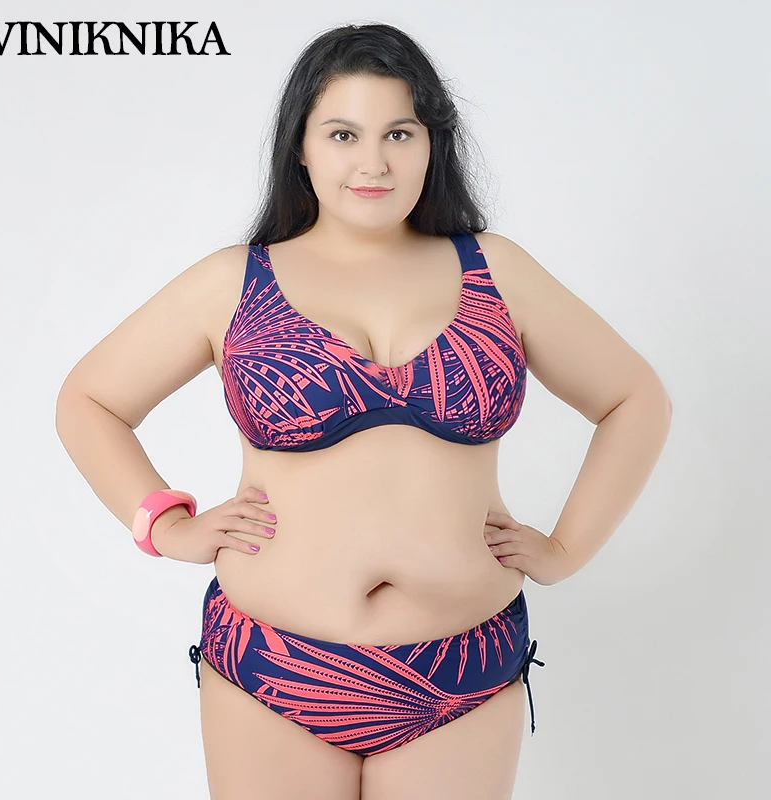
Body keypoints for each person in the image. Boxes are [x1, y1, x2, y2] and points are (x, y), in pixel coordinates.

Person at [55, 22, 673, 800]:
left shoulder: (497, 271)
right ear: (301, 147)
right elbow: (90, 401)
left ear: (432, 144)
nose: (373, 162)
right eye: (343, 134)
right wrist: (166, 525)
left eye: (399, 133)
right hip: (270, 670)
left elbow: (634, 399)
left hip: (462, 674)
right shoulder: (233, 283)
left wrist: (567, 548)